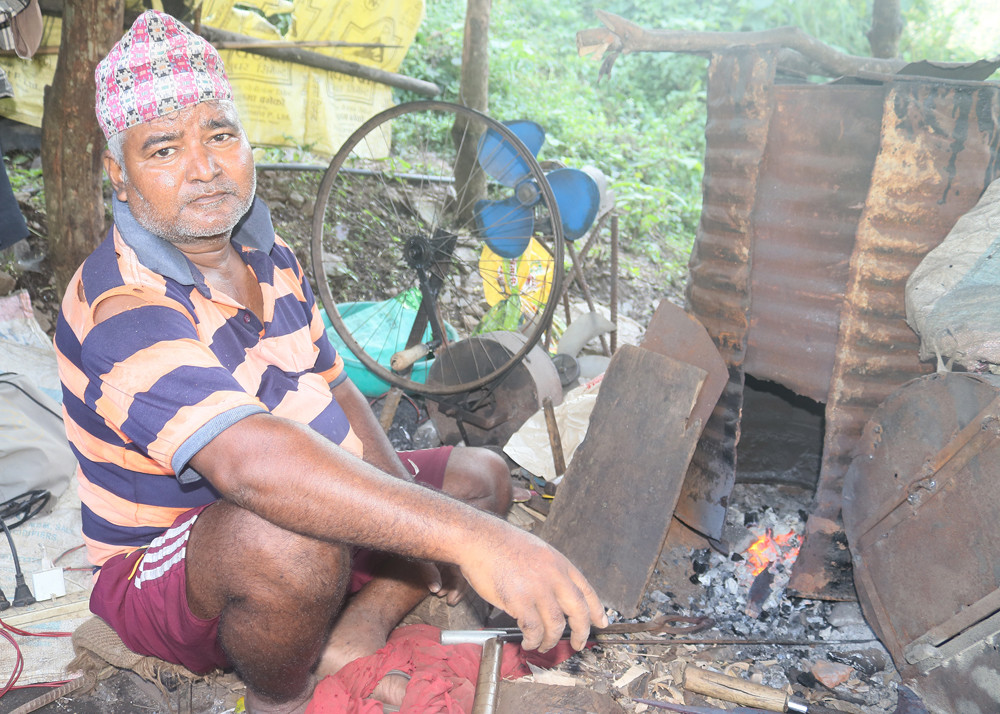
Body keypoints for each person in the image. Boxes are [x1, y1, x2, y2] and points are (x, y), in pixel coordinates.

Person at [55, 10, 606, 714]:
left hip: (293, 511)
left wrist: (416, 502)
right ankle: (281, 694)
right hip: (172, 569)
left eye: (220, 134)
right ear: (119, 175)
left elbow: (338, 387)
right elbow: (250, 467)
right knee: (291, 538)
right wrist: (468, 540)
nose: (203, 167)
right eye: (163, 149)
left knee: (477, 476)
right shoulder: (121, 304)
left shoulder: (266, 253)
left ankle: (358, 629)